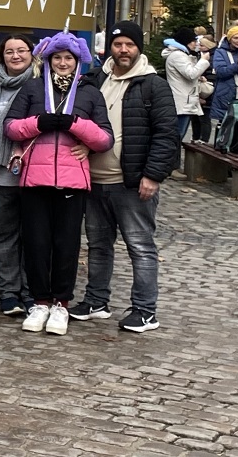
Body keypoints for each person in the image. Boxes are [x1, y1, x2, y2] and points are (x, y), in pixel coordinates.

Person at [70, 22, 177, 333]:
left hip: (132, 183)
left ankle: (145, 311)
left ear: (138, 48)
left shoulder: (152, 84)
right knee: (98, 245)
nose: (123, 50)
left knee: (140, 246)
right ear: (111, 48)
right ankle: (96, 301)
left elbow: (166, 135)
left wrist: (153, 175)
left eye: (130, 44)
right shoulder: (95, 79)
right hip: (95, 179)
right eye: (118, 45)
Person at [4, 31, 113, 336]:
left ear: (77, 61)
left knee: (66, 245)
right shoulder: (33, 88)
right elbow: (10, 127)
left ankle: (61, 304)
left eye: (68, 58)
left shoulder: (90, 92)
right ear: (48, 60)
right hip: (34, 179)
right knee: (36, 243)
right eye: (57, 58)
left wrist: (75, 125)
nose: (63, 63)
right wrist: (38, 123)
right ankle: (40, 302)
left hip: (71, 181)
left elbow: (105, 139)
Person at [0, 32, 38, 316]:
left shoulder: (41, 84)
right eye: (9, 51)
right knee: (2, 237)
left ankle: (31, 292)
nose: (15, 56)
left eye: (21, 50)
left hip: (33, 173)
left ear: (31, 54)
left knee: (32, 236)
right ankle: (9, 292)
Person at [161, 26, 210, 142]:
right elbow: (191, 74)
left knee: (177, 135)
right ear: (186, 42)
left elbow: (187, 75)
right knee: (177, 136)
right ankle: (172, 159)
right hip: (182, 102)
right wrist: (203, 61)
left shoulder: (180, 54)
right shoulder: (178, 55)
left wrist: (199, 77)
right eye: (193, 41)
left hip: (184, 101)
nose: (196, 44)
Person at [209, 23, 238, 129]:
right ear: (230, 38)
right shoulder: (220, 52)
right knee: (225, 130)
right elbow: (221, 72)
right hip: (225, 95)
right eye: (236, 38)